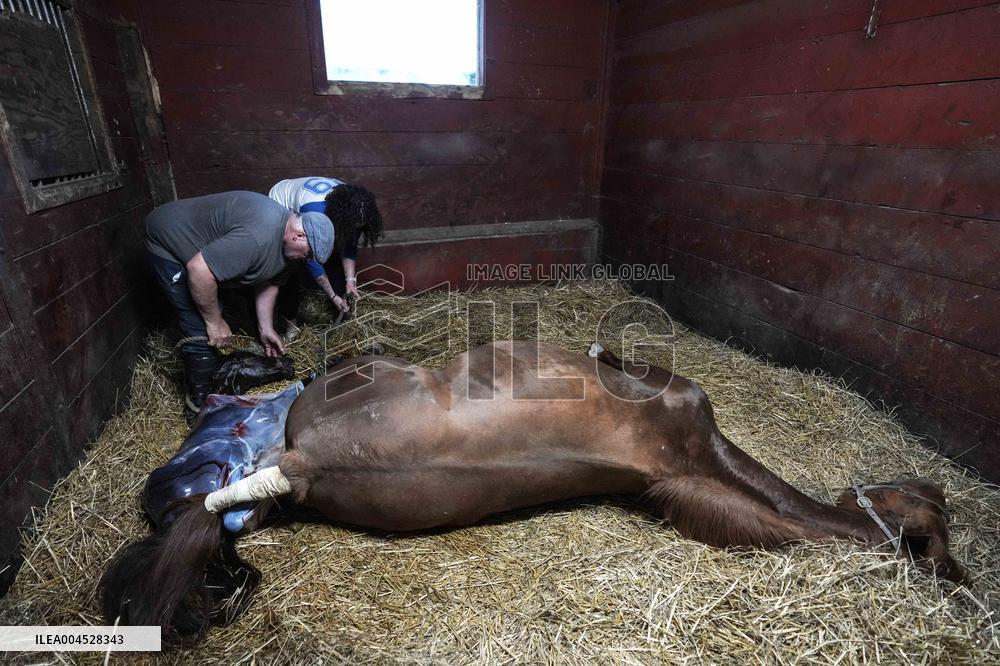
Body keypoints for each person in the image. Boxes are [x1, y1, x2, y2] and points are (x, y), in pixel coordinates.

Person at [144, 190, 334, 413]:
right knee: (200, 327)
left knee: (214, 302)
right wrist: (214, 322)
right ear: (299, 236)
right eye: (309, 254)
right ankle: (201, 408)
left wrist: (266, 328)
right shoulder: (257, 237)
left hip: (208, 257)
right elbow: (200, 271)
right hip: (169, 240)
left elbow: (270, 281)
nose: (308, 260)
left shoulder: (289, 249)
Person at [267, 177, 383, 312]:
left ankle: (341, 308)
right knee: (288, 267)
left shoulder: (357, 206)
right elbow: (310, 257)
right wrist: (332, 296)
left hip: (316, 206)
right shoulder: (316, 210)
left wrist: (350, 282)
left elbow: (350, 246)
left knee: (333, 257)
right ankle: (291, 323)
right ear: (344, 218)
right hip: (280, 202)